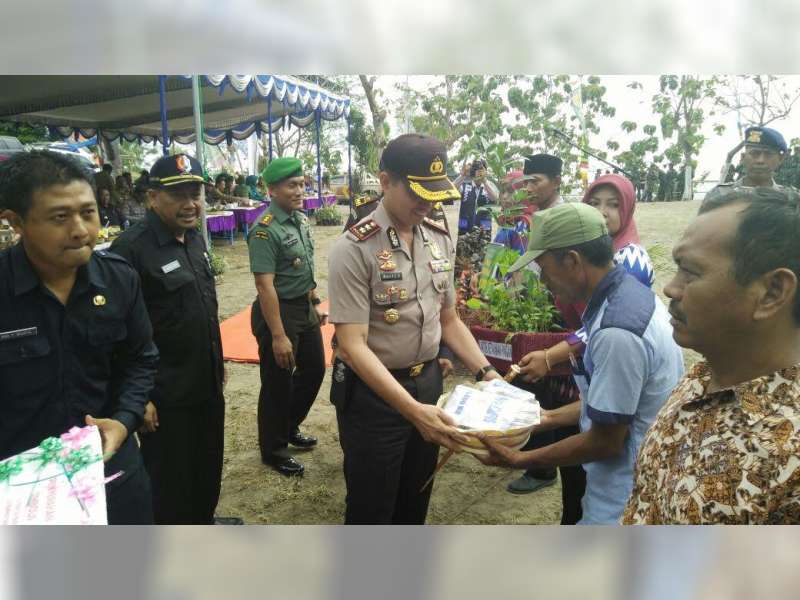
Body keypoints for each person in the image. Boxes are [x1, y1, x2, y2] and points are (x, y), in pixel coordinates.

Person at [327, 133, 503, 524]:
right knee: (372, 508)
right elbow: (352, 346)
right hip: (374, 397)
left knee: (415, 498)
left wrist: (488, 373)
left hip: (428, 386)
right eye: (417, 193)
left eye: (435, 194)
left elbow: (449, 319)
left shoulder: (437, 239)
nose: (427, 204)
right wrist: (412, 412)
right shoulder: (354, 248)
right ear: (385, 181)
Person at [477, 202, 684, 524]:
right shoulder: (628, 296)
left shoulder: (617, 332)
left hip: (625, 494)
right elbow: (615, 402)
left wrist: (519, 459)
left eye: (544, 268)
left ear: (572, 261)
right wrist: (545, 418)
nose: (543, 281)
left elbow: (605, 442)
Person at [623, 188, 800, 524]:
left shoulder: (789, 455)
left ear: (772, 292)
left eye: (690, 272)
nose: (671, 288)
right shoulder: (703, 375)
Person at [0, 150, 158, 524]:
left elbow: (140, 359)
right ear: (15, 222)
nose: (81, 230)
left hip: (109, 465)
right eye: (60, 217)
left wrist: (124, 420)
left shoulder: (118, 279)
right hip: (22, 484)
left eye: (88, 212)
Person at [110, 153, 240, 525]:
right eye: (178, 195)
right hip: (165, 393)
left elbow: (203, 308)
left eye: (195, 194)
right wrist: (138, 397)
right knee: (171, 478)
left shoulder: (195, 238)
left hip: (205, 380)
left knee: (208, 461)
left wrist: (216, 360)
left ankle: (203, 522)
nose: (190, 204)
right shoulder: (130, 249)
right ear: (153, 197)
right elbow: (116, 332)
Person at [248, 157, 326, 476]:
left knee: (315, 369)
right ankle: (274, 450)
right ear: (272, 190)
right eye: (292, 185)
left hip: (303, 308)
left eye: (302, 184)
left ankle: (289, 425)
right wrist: (278, 335)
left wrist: (314, 300)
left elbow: (304, 267)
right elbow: (265, 286)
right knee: (277, 383)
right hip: (277, 312)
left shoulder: (300, 220)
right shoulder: (265, 230)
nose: (299, 190)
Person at [704, 126, 796, 205]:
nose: (760, 160)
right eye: (754, 153)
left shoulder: (791, 200)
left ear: (780, 159)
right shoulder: (719, 195)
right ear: (743, 157)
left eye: (768, 154)